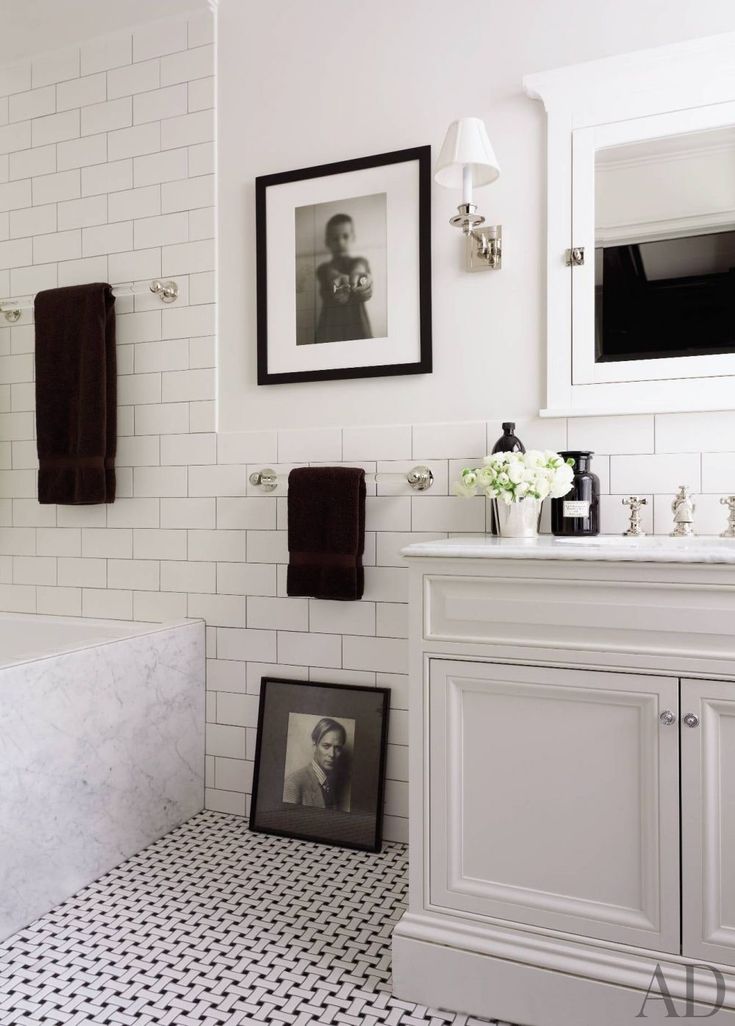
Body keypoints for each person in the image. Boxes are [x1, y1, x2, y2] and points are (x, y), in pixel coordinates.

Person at [315, 213, 373, 343]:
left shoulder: (360, 261)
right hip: (329, 330)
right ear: (327, 242)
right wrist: (336, 277)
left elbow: (360, 267)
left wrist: (359, 275)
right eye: (335, 238)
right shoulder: (323, 268)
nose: (341, 242)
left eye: (345, 236)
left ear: (353, 238)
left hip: (358, 328)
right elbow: (328, 273)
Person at [283, 717, 349, 810]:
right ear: (315, 746)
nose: (332, 754)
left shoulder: (330, 783)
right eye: (326, 746)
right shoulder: (293, 784)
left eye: (337, 748)